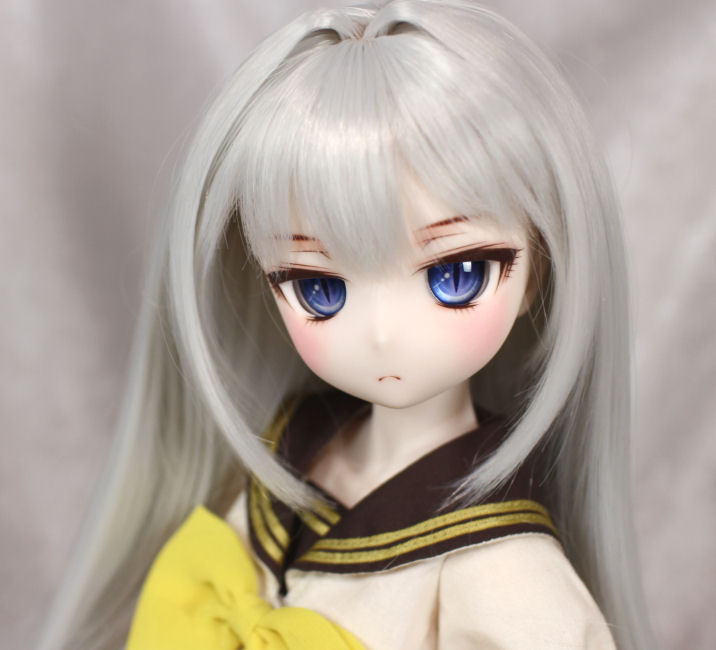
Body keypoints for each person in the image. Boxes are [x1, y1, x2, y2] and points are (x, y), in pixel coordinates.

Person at [37, 1, 653, 648]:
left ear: (535, 274)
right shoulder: (290, 449)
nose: (381, 333)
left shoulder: (499, 567)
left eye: (455, 275)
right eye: (320, 288)